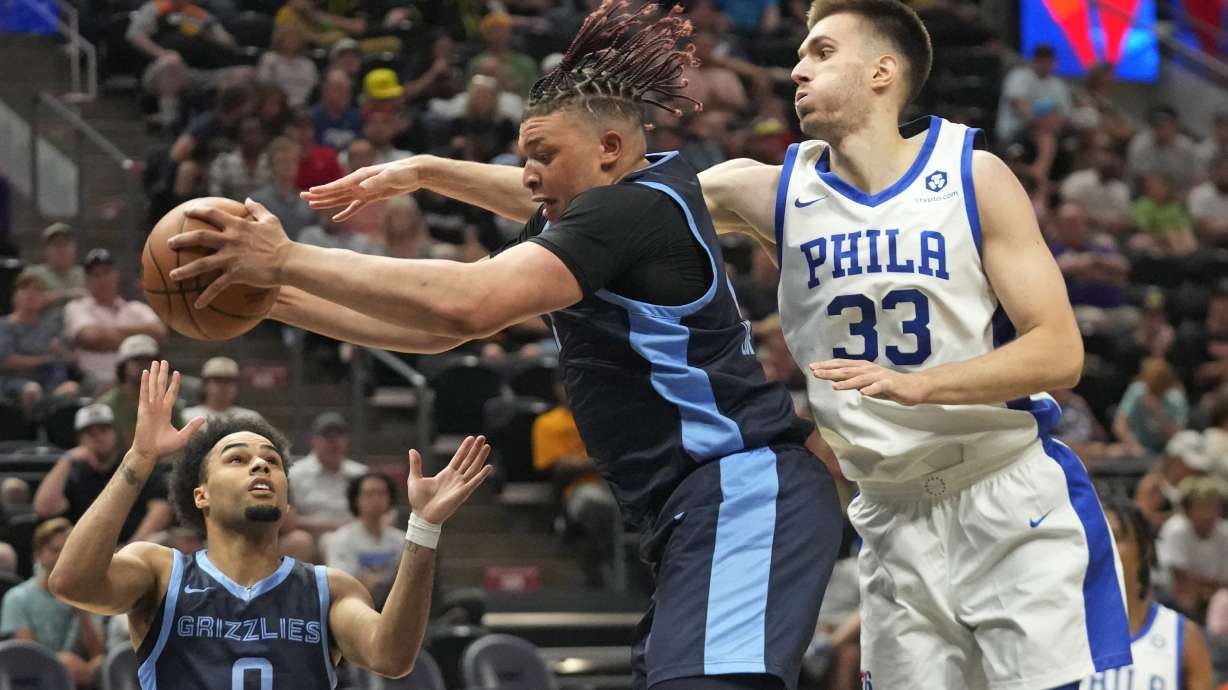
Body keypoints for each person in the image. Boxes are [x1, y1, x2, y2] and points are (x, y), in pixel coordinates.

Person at [176, 3, 842, 687]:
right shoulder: (631, 199)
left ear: (609, 149)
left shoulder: (626, 212)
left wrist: (286, 259)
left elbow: (468, 298)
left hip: (741, 488)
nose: (526, 175)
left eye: (542, 156)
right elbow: (441, 330)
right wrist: (276, 301)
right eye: (524, 157)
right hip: (699, 506)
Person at [674, 0, 1132, 686]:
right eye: (800, 53)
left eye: (822, 52)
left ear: (882, 71)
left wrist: (922, 385)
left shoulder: (974, 175)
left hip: (1006, 495)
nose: (797, 68)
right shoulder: (769, 191)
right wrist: (453, 171)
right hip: (889, 517)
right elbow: (593, 210)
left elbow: (1059, 352)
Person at [47, 360, 493, 685]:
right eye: (237, 459)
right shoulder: (160, 572)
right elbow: (71, 582)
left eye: (272, 461)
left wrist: (424, 526)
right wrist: (141, 457)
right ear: (199, 494)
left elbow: (391, 657)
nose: (260, 466)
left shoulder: (329, 589)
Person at [1081, 498, 1214, 690]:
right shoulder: (1065, 632)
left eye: (1116, 537)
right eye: (1096, 538)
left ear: (1145, 549)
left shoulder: (1182, 636)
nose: (1103, 547)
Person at [33, 403, 173, 543]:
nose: (98, 437)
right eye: (90, 433)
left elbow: (160, 510)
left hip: (137, 547)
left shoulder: (138, 464)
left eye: (104, 430)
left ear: (115, 433)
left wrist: (130, 549)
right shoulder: (74, 473)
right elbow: (44, 509)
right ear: (79, 439)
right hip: (85, 551)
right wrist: (66, 460)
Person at [0, 518, 105, 688]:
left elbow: (98, 654)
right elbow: (27, 656)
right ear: (38, 556)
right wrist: (62, 665)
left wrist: (82, 612)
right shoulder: (17, 598)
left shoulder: (90, 596)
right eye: (56, 550)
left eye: (71, 549)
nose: (65, 556)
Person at [63, 249, 166, 392]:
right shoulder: (77, 307)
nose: (102, 279)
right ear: (87, 280)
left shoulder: (136, 308)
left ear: (116, 274)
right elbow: (91, 337)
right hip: (94, 382)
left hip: (140, 381)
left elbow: (159, 332)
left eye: (106, 272)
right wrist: (138, 339)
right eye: (95, 274)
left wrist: (106, 334)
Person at [0, 270, 79, 417]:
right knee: (32, 390)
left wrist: (64, 353)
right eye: (25, 289)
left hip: (48, 382)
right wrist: (45, 359)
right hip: (11, 381)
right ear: (15, 296)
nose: (31, 294)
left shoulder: (50, 328)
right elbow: (6, 361)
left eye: (37, 290)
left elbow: (67, 359)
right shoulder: (5, 326)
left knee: (71, 388)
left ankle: (55, 436)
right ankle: (28, 433)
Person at [1157, 476, 1228, 617]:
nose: (1209, 513)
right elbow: (1180, 581)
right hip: (1171, 597)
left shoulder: (1224, 533)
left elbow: (1224, 582)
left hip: (1214, 597)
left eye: (1214, 506)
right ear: (1188, 508)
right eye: (1203, 506)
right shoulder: (1176, 529)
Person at [323, 473, 405, 595]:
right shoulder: (340, 539)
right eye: (369, 494)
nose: (376, 499)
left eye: (382, 493)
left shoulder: (402, 540)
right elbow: (341, 584)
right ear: (356, 500)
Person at [96, 334, 186, 444]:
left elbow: (180, 438)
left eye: (148, 360)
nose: (143, 365)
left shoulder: (166, 402)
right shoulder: (106, 405)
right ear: (123, 366)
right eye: (136, 360)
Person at [288, 412, 367, 535]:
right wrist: (333, 527)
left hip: (356, 537)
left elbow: (386, 514)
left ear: (347, 441)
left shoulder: (362, 474)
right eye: (327, 437)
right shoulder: (294, 474)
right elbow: (287, 519)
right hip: (312, 538)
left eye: (338, 436)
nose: (333, 442)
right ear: (313, 440)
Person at [995, 44, 1072, 145]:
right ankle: (1041, 161)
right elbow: (1020, 105)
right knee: (1045, 137)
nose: (1045, 64)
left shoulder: (1058, 84)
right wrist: (1041, 122)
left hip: (1050, 128)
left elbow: (1065, 114)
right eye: (1041, 60)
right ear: (1034, 60)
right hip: (1016, 128)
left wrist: (1054, 123)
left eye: (1048, 60)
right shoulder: (1018, 76)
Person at [1113, 358, 1188, 456]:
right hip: (1135, 448)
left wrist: (1159, 414)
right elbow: (1119, 424)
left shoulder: (1176, 400)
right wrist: (1134, 446)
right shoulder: (1137, 391)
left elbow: (1179, 437)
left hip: (1165, 453)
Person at [26, 222, 88, 312]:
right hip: (42, 323)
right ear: (45, 250)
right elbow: (29, 302)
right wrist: (69, 294)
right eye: (55, 244)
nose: (61, 249)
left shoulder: (86, 274)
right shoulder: (33, 274)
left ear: (74, 248)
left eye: (65, 244)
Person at [182, 356, 261, 421]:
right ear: (205, 385)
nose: (223, 386)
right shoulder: (187, 417)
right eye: (217, 380)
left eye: (229, 381)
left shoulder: (250, 419)